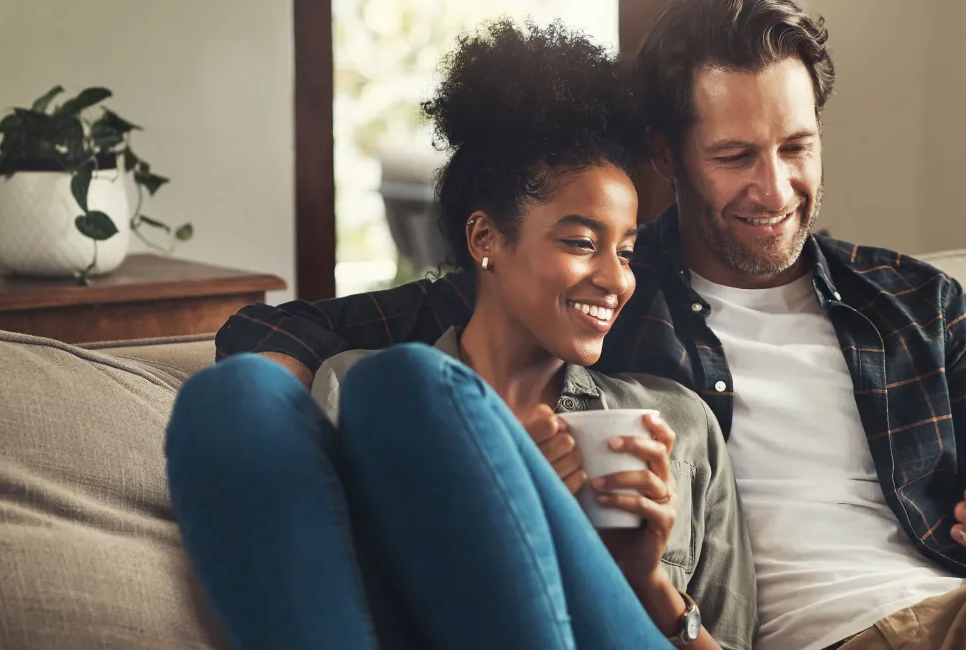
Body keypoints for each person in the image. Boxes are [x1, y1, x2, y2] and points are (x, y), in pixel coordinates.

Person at [217, 1, 966, 649]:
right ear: (668, 155)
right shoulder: (596, 284)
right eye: (736, 155)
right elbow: (283, 340)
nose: (776, 187)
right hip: (807, 634)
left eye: (796, 147)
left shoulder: (916, 304)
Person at [169, 20, 754, 650]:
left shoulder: (678, 425)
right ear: (485, 239)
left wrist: (646, 584)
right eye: (583, 243)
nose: (617, 280)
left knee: (406, 383)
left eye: (629, 252)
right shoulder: (353, 389)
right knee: (228, 399)